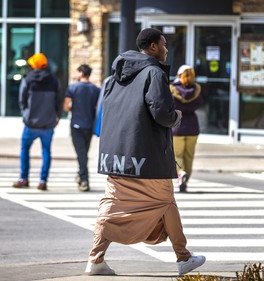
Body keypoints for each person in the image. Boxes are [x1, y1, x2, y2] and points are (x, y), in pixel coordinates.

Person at [84, 28, 205, 276]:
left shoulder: (114, 76)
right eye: (163, 44)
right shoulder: (154, 73)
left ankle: (95, 259)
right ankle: (183, 258)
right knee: (165, 201)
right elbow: (162, 113)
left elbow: (107, 112)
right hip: (147, 155)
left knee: (111, 205)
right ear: (152, 47)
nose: (166, 49)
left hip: (115, 155)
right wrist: (176, 117)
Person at [12, 53, 63, 191]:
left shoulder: (28, 79)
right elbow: (59, 101)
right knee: (46, 151)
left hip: (30, 123)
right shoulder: (54, 80)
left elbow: (21, 100)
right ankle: (43, 181)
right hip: (48, 123)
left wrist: (25, 114)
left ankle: (23, 178)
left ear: (34, 65)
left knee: (24, 149)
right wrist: (57, 116)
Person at [63, 64, 100, 192]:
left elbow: (66, 106)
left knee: (81, 154)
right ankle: (80, 175)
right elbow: (98, 107)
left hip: (76, 125)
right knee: (83, 153)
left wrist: (73, 108)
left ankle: (84, 180)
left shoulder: (73, 87)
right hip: (89, 125)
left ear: (80, 73)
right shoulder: (96, 89)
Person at [170, 65, 201, 192]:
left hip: (177, 126)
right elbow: (200, 104)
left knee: (177, 155)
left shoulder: (172, 89)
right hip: (193, 126)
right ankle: (185, 180)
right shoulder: (197, 89)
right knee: (189, 155)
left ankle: (181, 173)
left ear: (178, 75)